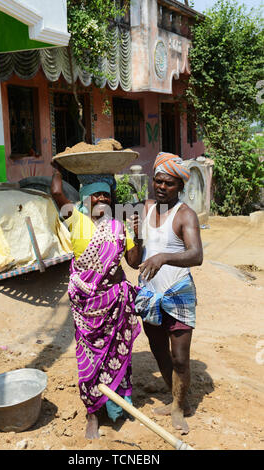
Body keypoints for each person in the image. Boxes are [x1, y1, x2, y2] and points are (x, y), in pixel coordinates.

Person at [51, 162, 142, 439]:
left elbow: (134, 262)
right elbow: (56, 190)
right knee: (89, 362)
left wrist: (137, 236)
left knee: (118, 358)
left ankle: (116, 408)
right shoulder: (75, 220)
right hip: (88, 310)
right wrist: (59, 164)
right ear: (85, 198)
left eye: (106, 195)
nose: (102, 199)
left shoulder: (118, 226)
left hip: (116, 306)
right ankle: (92, 413)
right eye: (96, 195)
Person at [135, 152, 203, 435]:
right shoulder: (143, 209)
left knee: (180, 357)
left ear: (180, 186)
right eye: (158, 181)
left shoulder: (185, 215)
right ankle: (173, 398)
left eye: (169, 183)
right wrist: (134, 240)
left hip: (177, 292)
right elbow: (134, 259)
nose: (162, 187)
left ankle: (179, 406)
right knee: (158, 349)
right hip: (150, 293)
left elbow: (196, 255)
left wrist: (163, 257)